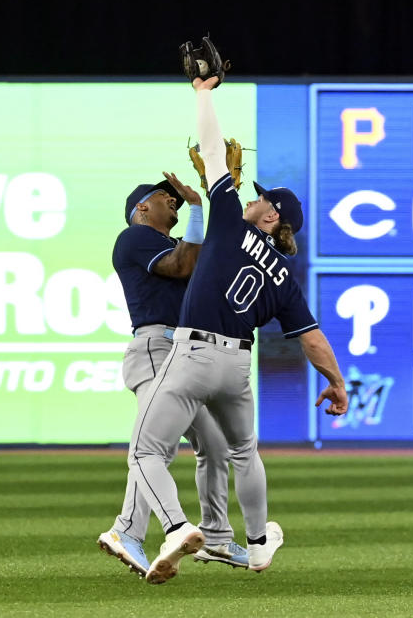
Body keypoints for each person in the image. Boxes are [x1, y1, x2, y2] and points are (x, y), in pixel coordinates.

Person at [128, 76, 349, 585]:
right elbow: (312, 339)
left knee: (145, 451)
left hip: (192, 354)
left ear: (270, 215)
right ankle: (254, 543)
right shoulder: (285, 275)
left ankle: (178, 528)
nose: (251, 198)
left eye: (261, 199)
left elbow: (209, 144)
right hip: (236, 366)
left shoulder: (229, 221)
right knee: (243, 452)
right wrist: (335, 383)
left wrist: (204, 94)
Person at [97, 172, 250, 578]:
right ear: (141, 208)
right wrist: (198, 207)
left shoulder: (181, 244)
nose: (174, 201)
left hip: (183, 351)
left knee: (215, 446)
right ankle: (173, 528)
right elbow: (182, 266)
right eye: (165, 197)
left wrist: (224, 201)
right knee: (153, 448)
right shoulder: (134, 237)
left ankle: (210, 537)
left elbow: (207, 261)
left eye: (178, 200)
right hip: (155, 348)